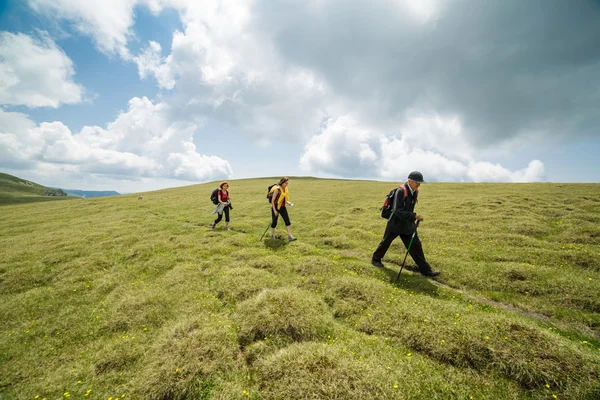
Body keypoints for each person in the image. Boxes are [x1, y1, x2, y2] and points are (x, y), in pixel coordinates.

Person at [371, 171, 440, 277]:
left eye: (420, 183)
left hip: (407, 225)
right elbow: (397, 210)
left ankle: (426, 271)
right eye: (417, 183)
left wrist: (412, 218)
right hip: (395, 223)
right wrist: (414, 216)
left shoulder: (415, 192)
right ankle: (375, 259)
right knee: (386, 242)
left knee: (416, 246)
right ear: (409, 181)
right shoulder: (400, 191)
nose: (419, 185)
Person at [269, 177, 297, 241]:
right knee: (274, 222)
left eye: (287, 183)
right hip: (275, 207)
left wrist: (288, 202)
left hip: (282, 207)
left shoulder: (286, 189)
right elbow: (273, 201)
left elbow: (285, 199)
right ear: (282, 182)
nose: (286, 184)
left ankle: (290, 236)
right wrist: (274, 210)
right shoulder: (277, 190)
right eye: (285, 183)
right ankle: (272, 235)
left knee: (287, 221)